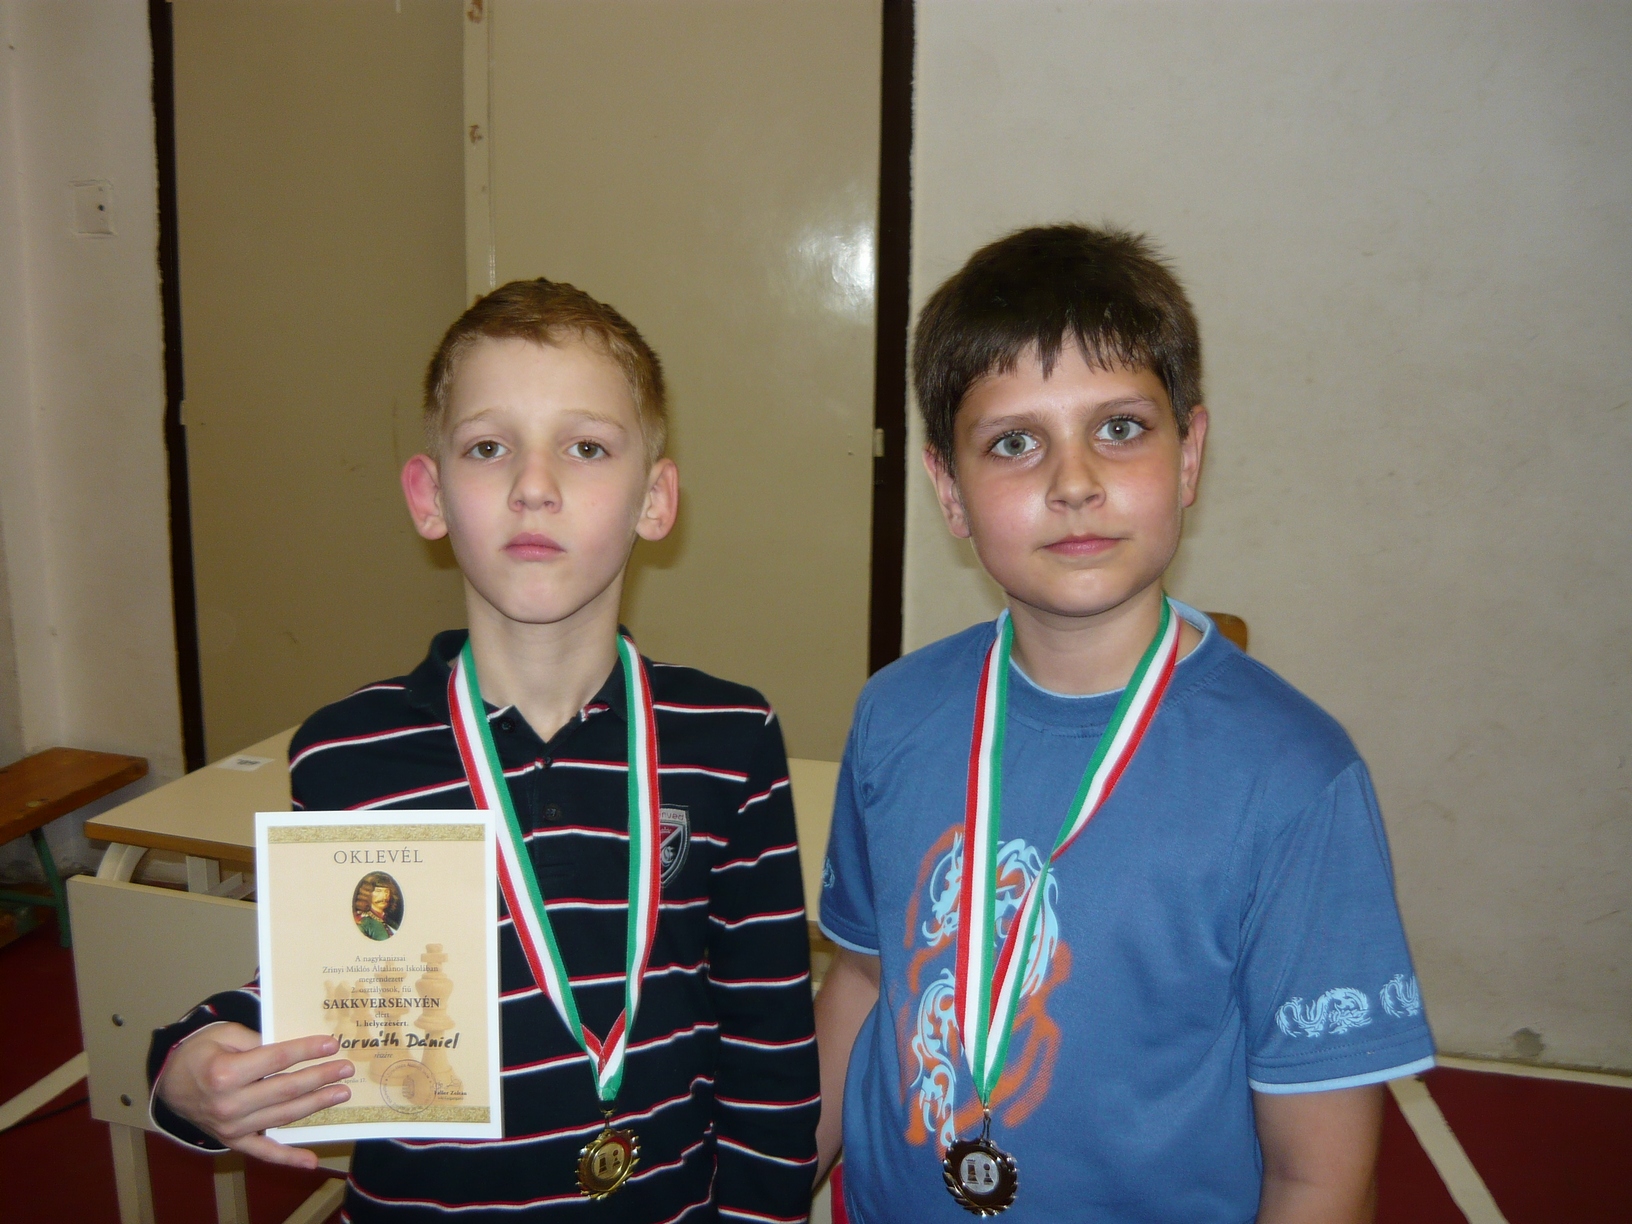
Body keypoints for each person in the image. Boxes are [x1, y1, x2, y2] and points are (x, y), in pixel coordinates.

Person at [148, 279, 820, 1221]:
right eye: (488, 447)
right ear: (429, 497)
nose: (533, 486)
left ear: (655, 499)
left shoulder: (730, 740)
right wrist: (190, 1062)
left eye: (586, 448)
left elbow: (769, 1044)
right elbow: (335, 992)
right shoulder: (349, 753)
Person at [814, 224, 1434, 1223]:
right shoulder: (895, 712)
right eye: (1014, 443)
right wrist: (764, 1185)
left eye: (1119, 428)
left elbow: (1321, 1177)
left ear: (1190, 456)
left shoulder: (1292, 779)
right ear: (949, 492)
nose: (1074, 483)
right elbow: (861, 977)